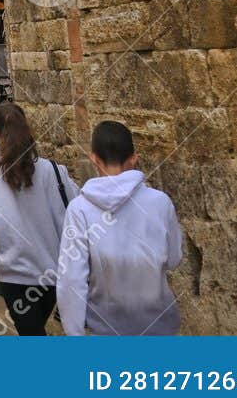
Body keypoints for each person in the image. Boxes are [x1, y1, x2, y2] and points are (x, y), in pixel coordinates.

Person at [56, 120, 182, 336]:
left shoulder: (80, 210)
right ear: (134, 158)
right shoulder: (160, 202)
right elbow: (173, 259)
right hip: (159, 325)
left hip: (106, 327)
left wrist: (74, 333)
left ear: (94, 159)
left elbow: (71, 279)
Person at [0, 102, 78, 335]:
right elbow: (75, 213)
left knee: (31, 333)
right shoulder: (54, 171)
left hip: (15, 276)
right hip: (53, 272)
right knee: (33, 332)